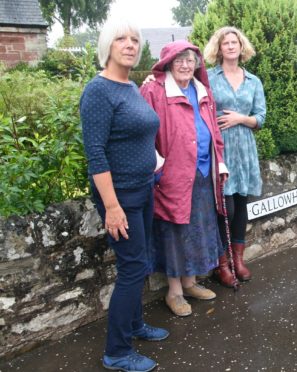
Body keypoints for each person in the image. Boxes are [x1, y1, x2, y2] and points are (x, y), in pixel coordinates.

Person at [80, 18, 168, 372]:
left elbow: (139, 133)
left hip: (143, 187)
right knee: (132, 268)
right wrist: (112, 207)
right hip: (121, 197)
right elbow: (96, 155)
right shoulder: (98, 91)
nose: (130, 44)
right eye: (121, 39)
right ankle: (117, 351)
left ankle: (134, 325)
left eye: (135, 39)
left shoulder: (130, 86)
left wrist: (154, 161)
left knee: (141, 259)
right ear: (107, 46)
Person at [140, 40, 228, 317]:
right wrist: (159, 167)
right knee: (174, 232)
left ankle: (190, 283)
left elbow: (213, 131)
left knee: (197, 228)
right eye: (179, 60)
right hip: (172, 176)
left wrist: (220, 161)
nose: (185, 65)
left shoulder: (201, 91)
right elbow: (143, 133)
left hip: (202, 172)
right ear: (167, 63)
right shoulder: (153, 90)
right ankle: (174, 291)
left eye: (190, 60)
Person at [204, 27, 266, 285]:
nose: (230, 46)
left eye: (234, 42)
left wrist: (242, 118)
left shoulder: (253, 81)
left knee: (241, 206)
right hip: (221, 149)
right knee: (224, 208)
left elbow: (261, 117)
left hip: (245, 150)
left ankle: (238, 260)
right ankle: (222, 264)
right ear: (218, 49)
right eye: (225, 43)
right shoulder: (208, 78)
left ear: (242, 47)